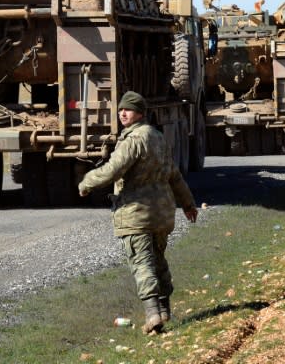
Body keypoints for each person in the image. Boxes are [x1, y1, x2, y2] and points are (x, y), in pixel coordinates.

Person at [78, 91, 198, 334]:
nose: (123, 113)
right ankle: (164, 310)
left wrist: (86, 182)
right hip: (162, 213)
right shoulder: (158, 137)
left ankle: (153, 315)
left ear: (140, 113)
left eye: (129, 110)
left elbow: (113, 169)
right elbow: (174, 175)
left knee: (142, 263)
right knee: (158, 260)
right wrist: (187, 204)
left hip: (136, 213)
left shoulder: (133, 139)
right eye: (121, 109)